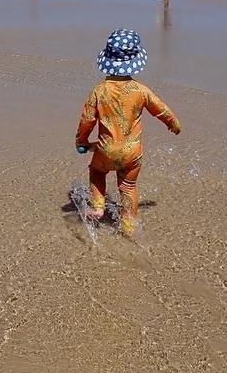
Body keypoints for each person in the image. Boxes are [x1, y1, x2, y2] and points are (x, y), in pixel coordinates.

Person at [75, 29, 181, 236]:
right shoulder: (140, 90)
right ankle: (128, 224)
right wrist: (173, 124)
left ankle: (97, 207)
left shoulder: (99, 91)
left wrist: (82, 141)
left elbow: (87, 120)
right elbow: (162, 110)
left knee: (97, 171)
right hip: (132, 154)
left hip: (106, 151)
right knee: (128, 187)